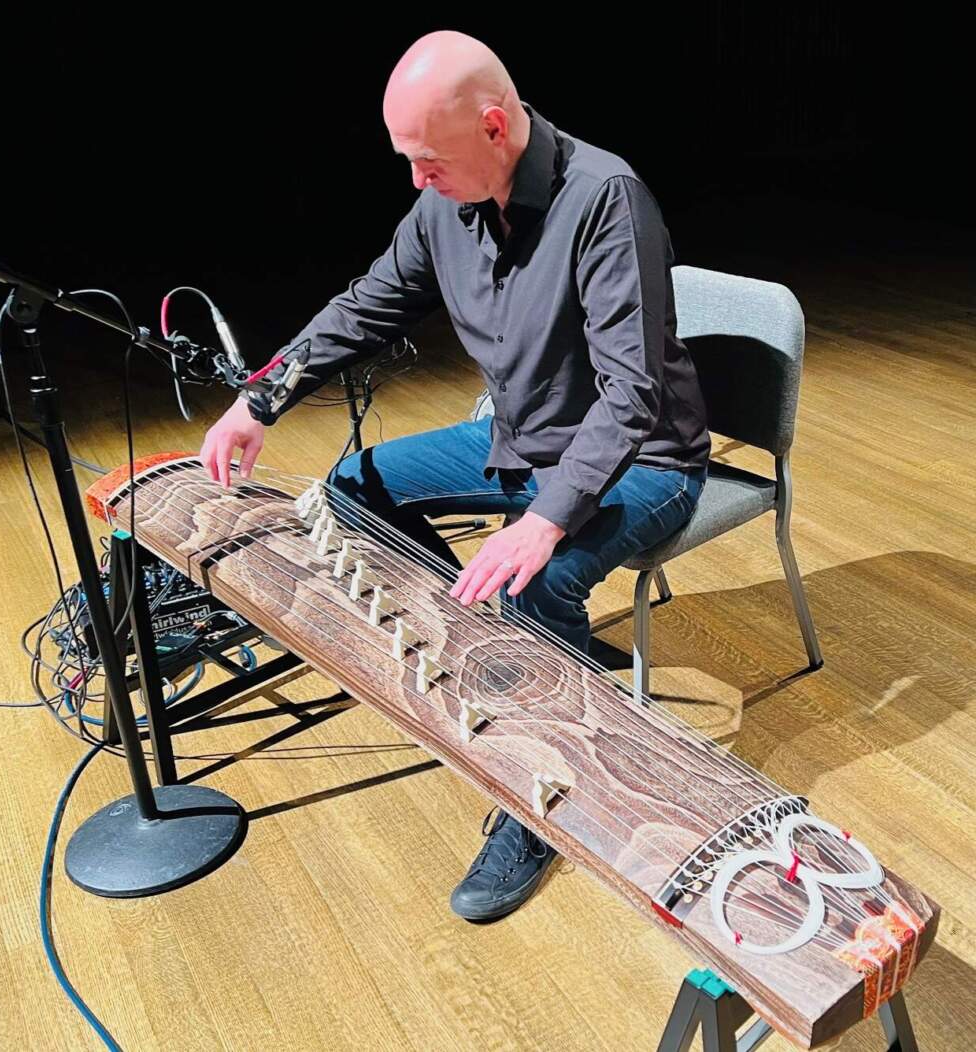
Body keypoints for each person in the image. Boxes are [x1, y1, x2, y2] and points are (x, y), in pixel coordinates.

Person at [201, 30, 710, 923]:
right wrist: (261, 397)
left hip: (644, 460)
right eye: (408, 162)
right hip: (522, 440)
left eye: (427, 161)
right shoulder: (446, 203)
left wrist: (545, 521)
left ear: (494, 125)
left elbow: (630, 398)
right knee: (353, 490)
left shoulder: (606, 199)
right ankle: (529, 651)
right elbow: (368, 302)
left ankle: (540, 792)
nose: (416, 182)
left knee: (536, 574)